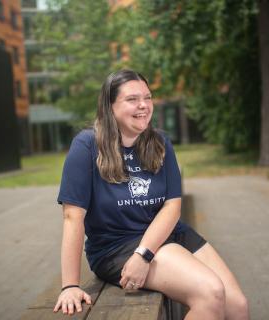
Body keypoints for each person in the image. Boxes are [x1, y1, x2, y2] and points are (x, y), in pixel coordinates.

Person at [53, 69, 249, 319]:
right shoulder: (87, 145)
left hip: (168, 233)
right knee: (210, 293)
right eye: (132, 99)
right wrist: (70, 285)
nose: (144, 105)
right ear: (109, 105)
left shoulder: (159, 142)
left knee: (238, 306)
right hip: (118, 245)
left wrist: (144, 254)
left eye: (148, 97)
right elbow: (72, 217)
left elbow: (172, 207)